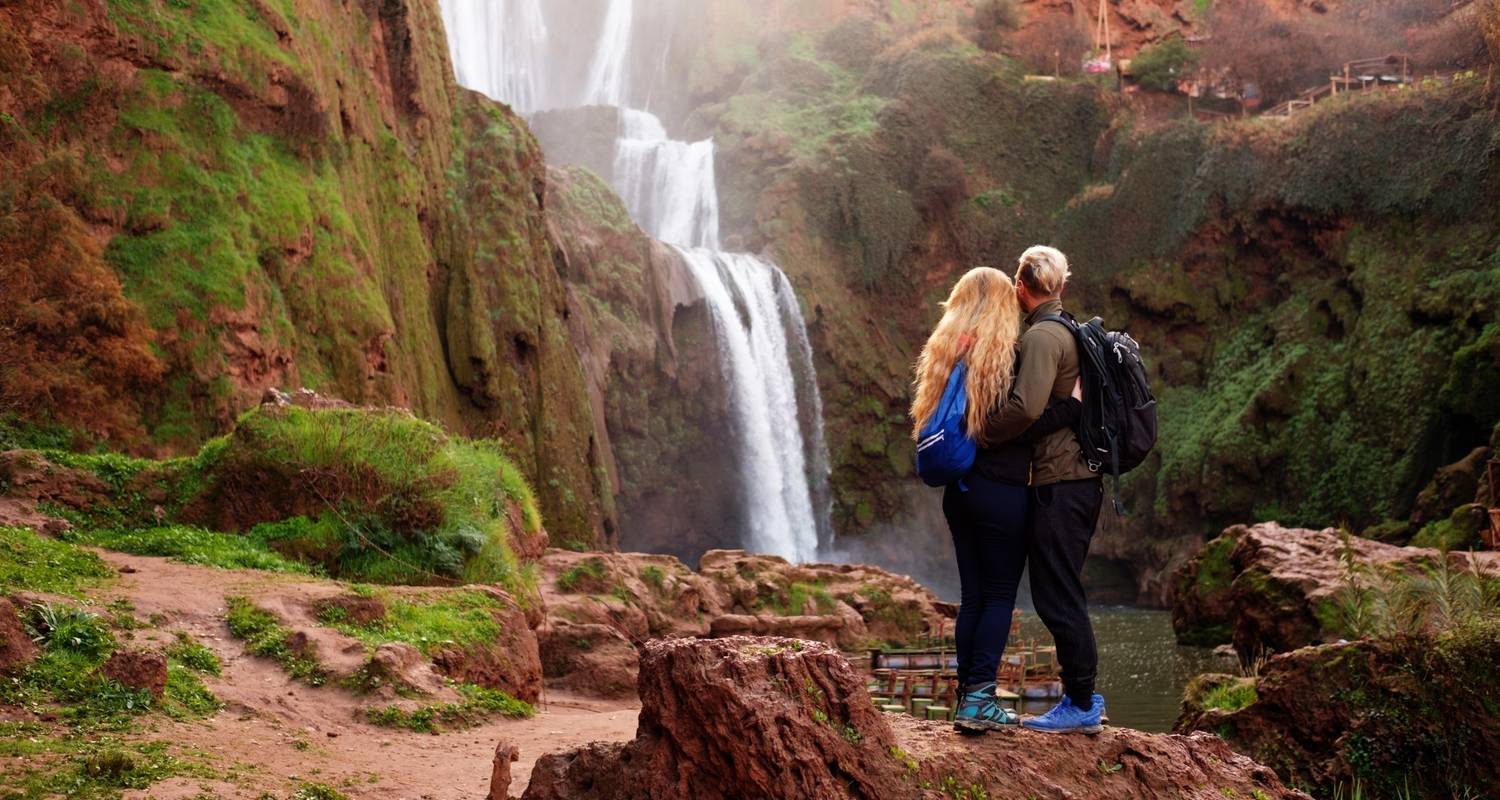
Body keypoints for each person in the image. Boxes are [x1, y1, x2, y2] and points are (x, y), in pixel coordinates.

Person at [910, 266, 1081, 734]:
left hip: (959, 493)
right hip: (1001, 494)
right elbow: (1017, 424)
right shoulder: (1004, 355)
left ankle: (968, 696)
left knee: (973, 597)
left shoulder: (948, 353)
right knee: (1000, 595)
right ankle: (980, 700)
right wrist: (1071, 407)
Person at [982, 245, 1106, 735]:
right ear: (1060, 286)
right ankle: (1084, 696)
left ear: (1020, 286)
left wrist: (984, 434)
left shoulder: (1042, 337)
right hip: (1078, 481)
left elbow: (1025, 409)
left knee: (1057, 595)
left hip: (1060, 481)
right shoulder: (1071, 329)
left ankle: (1080, 701)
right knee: (1063, 589)